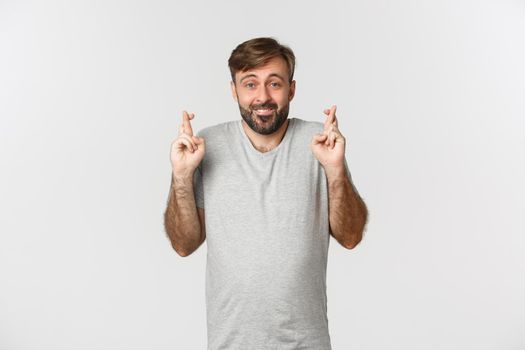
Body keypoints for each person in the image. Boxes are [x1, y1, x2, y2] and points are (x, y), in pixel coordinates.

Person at [164, 37, 368, 350]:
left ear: (292, 89)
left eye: (274, 83)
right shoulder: (208, 145)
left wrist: (336, 169)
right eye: (250, 84)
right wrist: (181, 176)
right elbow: (184, 244)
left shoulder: (319, 144)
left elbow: (351, 236)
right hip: (230, 343)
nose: (262, 97)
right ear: (233, 90)